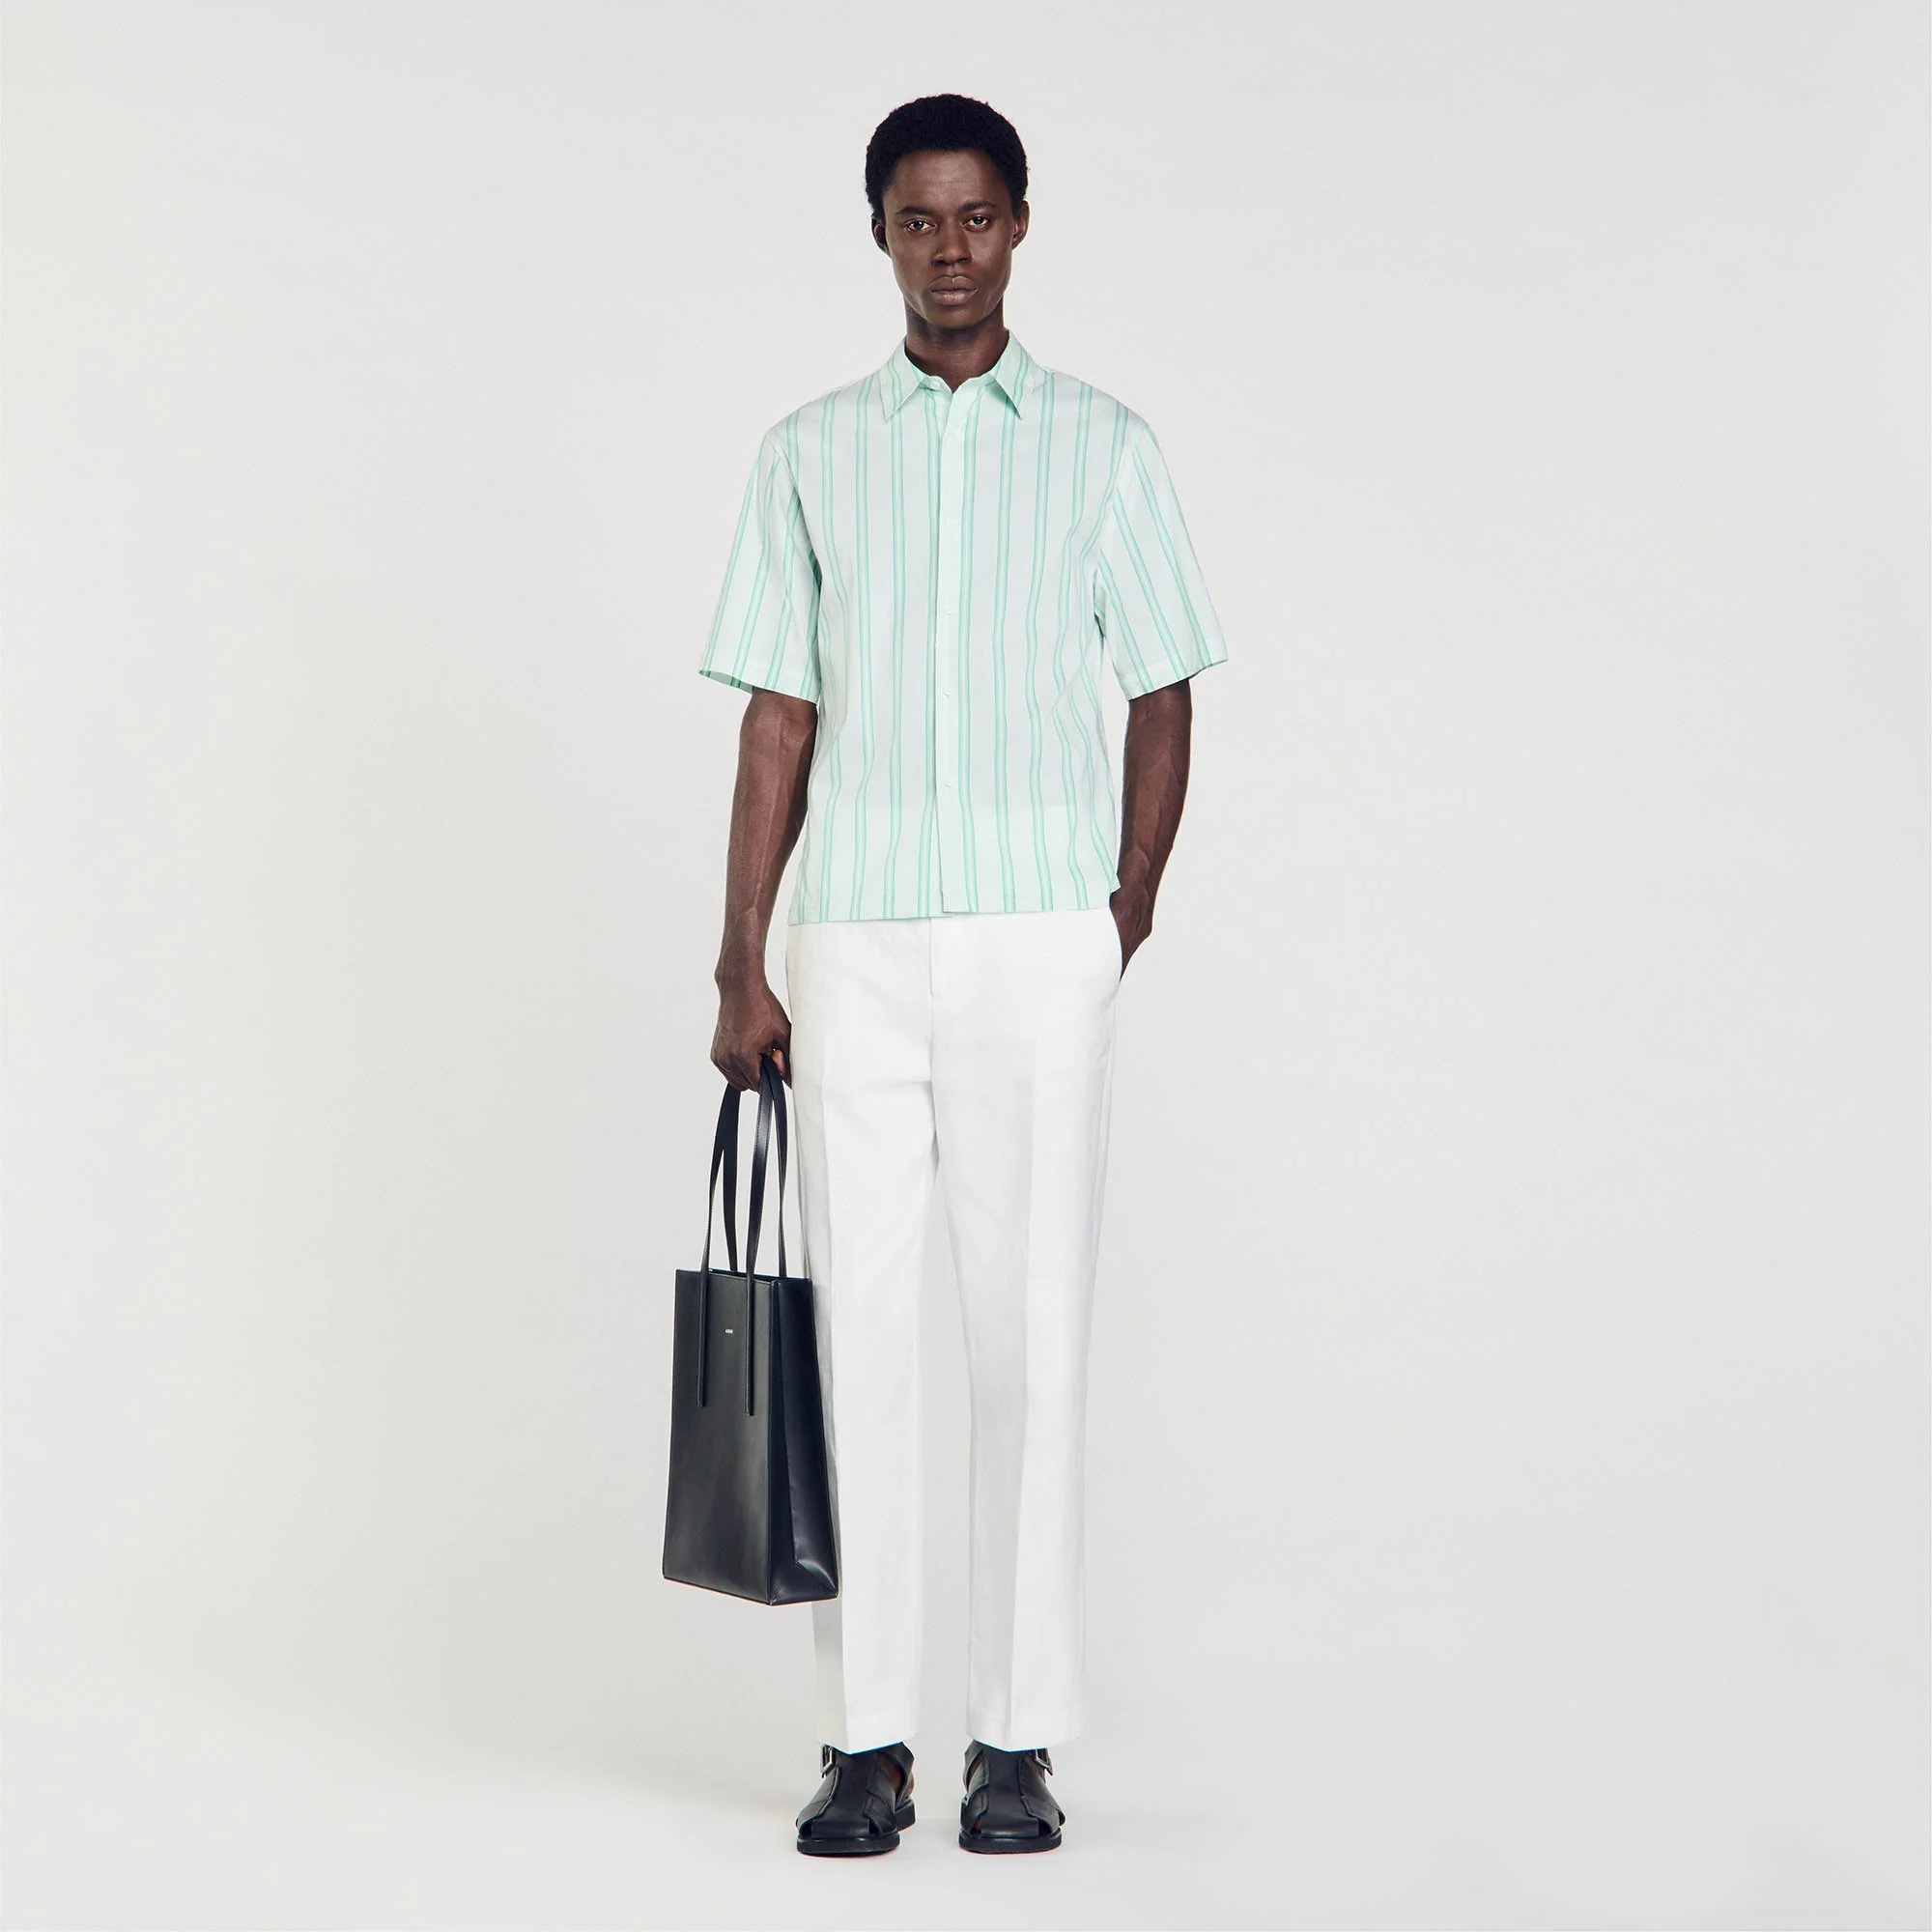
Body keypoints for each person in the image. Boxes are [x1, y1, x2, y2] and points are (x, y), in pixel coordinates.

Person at [697, 92, 1228, 1857]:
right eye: (919, 219)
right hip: (851, 940)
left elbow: (1163, 684)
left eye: (977, 216)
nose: (950, 249)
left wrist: (1119, 908)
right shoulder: (807, 452)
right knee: (857, 1339)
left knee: (1031, 1345)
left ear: (1020, 224)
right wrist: (740, 959)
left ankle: (1015, 1740)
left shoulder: (1103, 444)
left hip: (1034, 942)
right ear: (879, 232)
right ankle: (866, 1744)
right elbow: (780, 713)